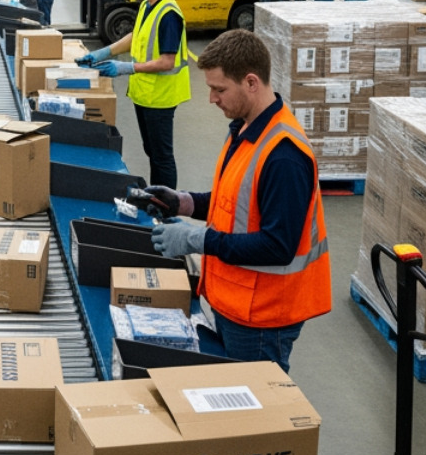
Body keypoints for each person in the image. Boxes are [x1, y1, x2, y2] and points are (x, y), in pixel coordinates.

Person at [142, 30, 331, 372]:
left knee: (254, 411)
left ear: (251, 82)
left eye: (219, 89)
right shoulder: (247, 128)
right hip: (236, 301)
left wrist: (193, 239)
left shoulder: (284, 156)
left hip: (262, 316)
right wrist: (184, 203)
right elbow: (238, 203)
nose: (212, 99)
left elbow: (277, 246)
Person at [78, 0, 195, 188]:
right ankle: (156, 196)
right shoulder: (146, 5)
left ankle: (167, 206)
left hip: (161, 97)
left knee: (161, 157)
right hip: (145, 93)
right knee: (151, 151)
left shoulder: (169, 15)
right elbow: (136, 37)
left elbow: (167, 62)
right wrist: (104, 53)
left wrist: (126, 67)